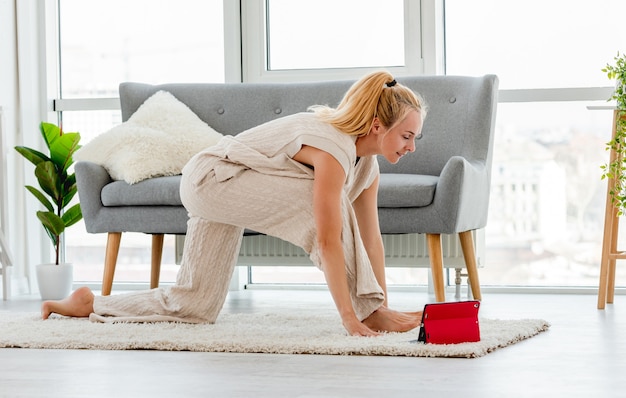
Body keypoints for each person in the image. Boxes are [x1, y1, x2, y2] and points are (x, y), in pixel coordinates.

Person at [42, 71, 427, 337]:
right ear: (377, 125)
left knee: (193, 305)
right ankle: (370, 313)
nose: (411, 147)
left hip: (232, 187)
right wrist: (355, 315)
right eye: (407, 136)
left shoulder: (368, 167)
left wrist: (383, 306)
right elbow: (327, 236)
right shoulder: (334, 148)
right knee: (323, 207)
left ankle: (91, 304)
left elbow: (371, 240)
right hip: (213, 177)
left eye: (416, 138)